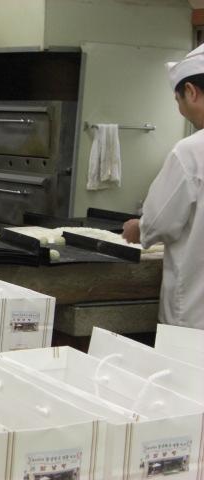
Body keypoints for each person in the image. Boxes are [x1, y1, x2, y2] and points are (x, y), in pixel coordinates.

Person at [122, 43, 204, 329]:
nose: (180, 109)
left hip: (194, 316)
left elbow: (159, 223)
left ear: (191, 92)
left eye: (178, 100)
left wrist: (139, 228)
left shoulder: (191, 152)